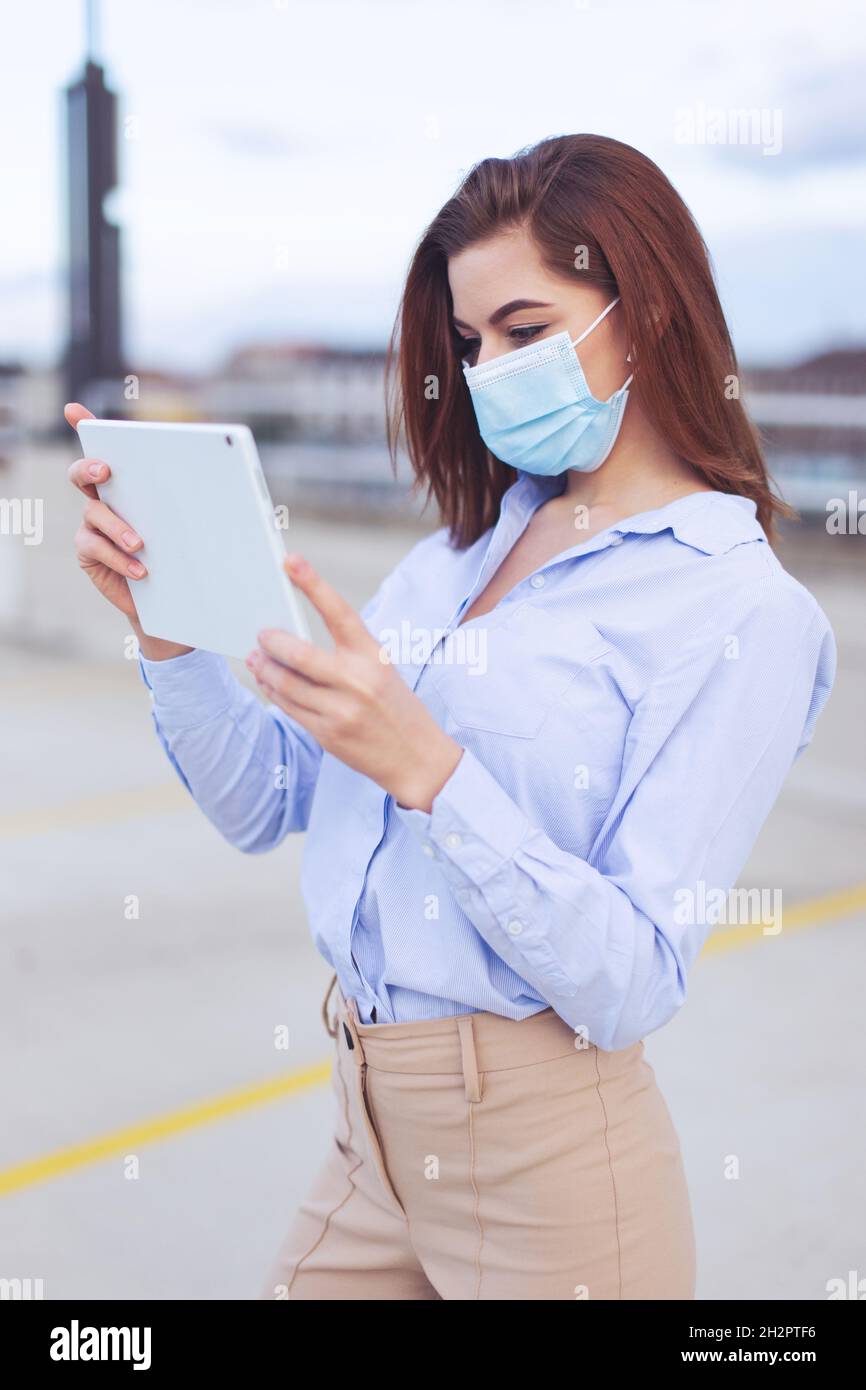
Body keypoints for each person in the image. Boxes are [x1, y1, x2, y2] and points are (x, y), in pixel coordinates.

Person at [65, 133, 835, 1301]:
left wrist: (429, 769)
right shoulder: (448, 558)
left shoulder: (740, 611)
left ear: (654, 310)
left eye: (525, 331)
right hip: (368, 1126)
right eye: (470, 343)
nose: (487, 370)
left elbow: (630, 977)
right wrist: (164, 629)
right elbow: (262, 800)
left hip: (553, 1170)